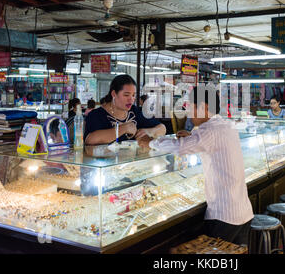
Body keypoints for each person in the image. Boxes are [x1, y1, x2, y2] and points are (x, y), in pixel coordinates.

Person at [137, 86, 253, 245]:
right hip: (243, 211)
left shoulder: (210, 131)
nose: (188, 111)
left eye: (190, 106)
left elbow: (180, 148)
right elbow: (207, 143)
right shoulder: (225, 125)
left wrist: (150, 143)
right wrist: (191, 136)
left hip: (224, 215)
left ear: (203, 107)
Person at [84, 75, 166, 145]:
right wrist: (124, 128)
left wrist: (149, 132)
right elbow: (90, 140)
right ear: (114, 94)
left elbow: (162, 128)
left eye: (133, 95)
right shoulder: (97, 115)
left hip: (131, 161)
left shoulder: (135, 112)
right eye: (126, 95)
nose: (131, 99)